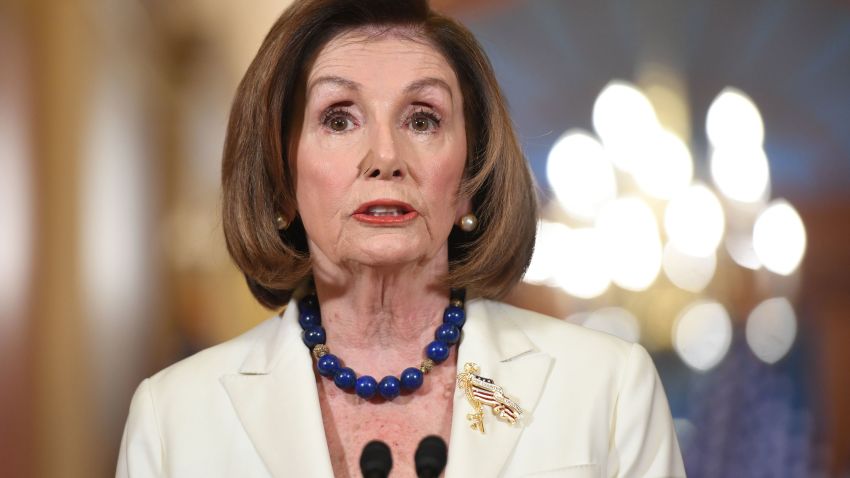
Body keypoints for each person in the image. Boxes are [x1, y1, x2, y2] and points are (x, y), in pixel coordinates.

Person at [117, 0, 686, 476]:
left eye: (422, 119)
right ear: (282, 179)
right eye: (339, 119)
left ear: (468, 179)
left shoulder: (607, 390)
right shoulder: (173, 418)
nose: (386, 158)